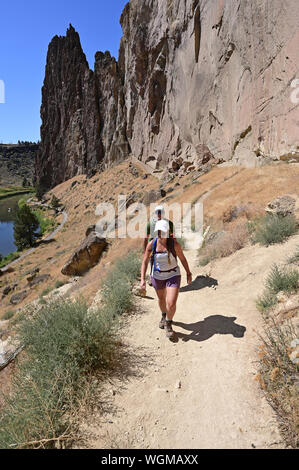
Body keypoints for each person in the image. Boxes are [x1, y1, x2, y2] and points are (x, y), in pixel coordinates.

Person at [140, 219, 192, 341]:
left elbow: (183, 259)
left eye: (162, 231)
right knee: (161, 299)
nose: (160, 234)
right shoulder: (151, 244)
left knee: (171, 302)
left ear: (168, 232)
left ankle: (168, 323)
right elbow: (145, 261)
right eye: (158, 232)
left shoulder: (174, 245)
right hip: (157, 276)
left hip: (173, 275)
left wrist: (188, 273)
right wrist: (142, 279)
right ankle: (164, 316)